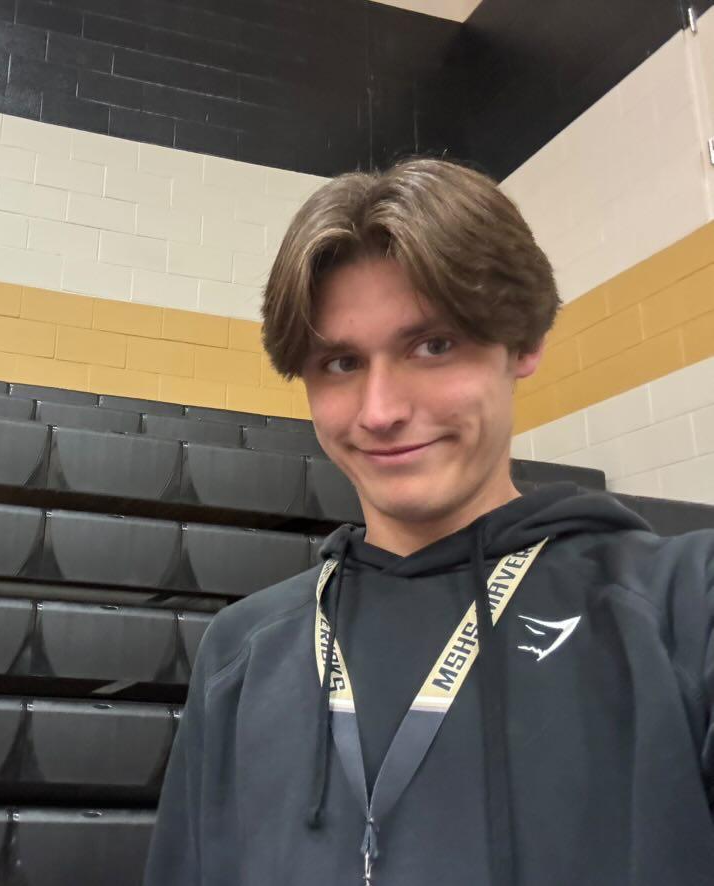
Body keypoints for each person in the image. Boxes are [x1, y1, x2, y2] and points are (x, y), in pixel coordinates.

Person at [144, 158, 714, 886]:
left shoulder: (684, 607)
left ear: (523, 342)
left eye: (433, 345)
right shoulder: (242, 652)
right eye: (341, 362)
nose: (381, 411)